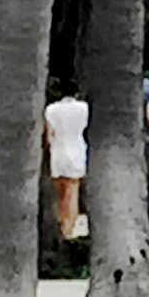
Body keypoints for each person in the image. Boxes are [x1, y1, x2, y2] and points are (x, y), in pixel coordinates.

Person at [43, 85, 91, 240]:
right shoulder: (83, 108)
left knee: (61, 192)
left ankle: (62, 224)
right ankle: (68, 230)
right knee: (72, 191)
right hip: (76, 149)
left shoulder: (51, 110)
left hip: (57, 152)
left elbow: (49, 136)